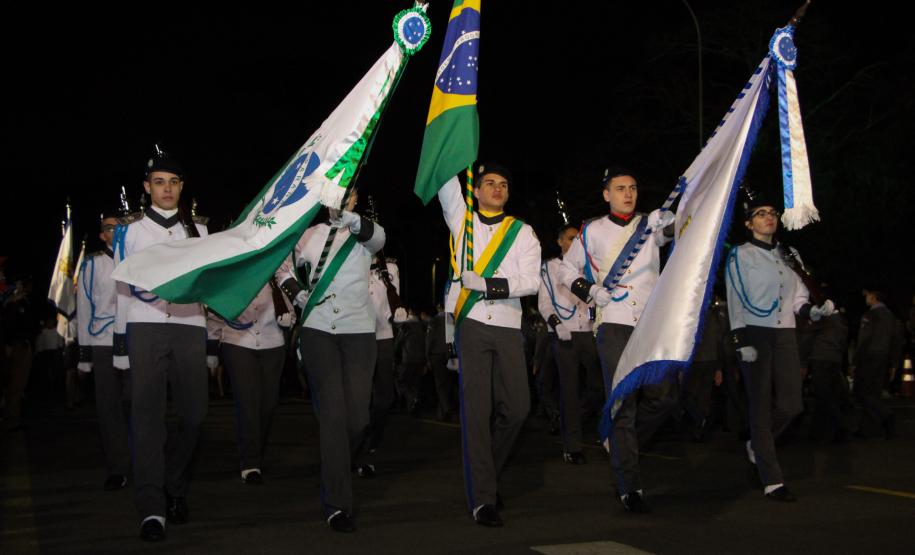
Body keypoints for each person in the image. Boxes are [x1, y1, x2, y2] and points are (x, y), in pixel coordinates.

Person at [558, 167, 674, 513]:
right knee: (623, 402)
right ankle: (629, 484)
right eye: (620, 188)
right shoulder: (592, 229)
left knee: (664, 397)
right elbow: (566, 269)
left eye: (633, 188)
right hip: (615, 322)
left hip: (650, 322)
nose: (628, 193)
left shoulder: (650, 225)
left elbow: (678, 232)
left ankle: (619, 439)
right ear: (607, 194)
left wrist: (670, 220)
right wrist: (591, 290)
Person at [112, 149, 214, 541]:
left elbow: (206, 288)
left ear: (182, 187)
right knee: (148, 421)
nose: (167, 189)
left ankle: (174, 483)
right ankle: (152, 507)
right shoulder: (131, 232)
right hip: (144, 327)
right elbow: (122, 289)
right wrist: (121, 347)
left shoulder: (199, 232)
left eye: (173, 182)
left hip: (189, 325)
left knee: (196, 416)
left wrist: (210, 342)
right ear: (147, 187)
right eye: (159, 182)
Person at [437, 163, 541, 527]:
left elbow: (531, 282)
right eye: (489, 183)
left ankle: (486, 474)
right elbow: (443, 179)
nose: (497, 188)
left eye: (503, 184)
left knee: (518, 409)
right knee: (476, 413)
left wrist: (486, 283)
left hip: (509, 324)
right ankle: (483, 498)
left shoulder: (523, 232)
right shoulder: (463, 222)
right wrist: (451, 129)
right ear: (476, 191)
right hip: (473, 325)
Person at [277, 191, 385, 533]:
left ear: (354, 198)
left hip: (357, 330)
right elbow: (279, 264)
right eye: (336, 194)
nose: (342, 199)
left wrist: (350, 219)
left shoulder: (363, 232)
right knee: (333, 417)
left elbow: (379, 239)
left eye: (349, 194)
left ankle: (338, 462)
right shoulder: (309, 235)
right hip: (318, 328)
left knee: (357, 420)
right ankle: (337, 503)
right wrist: (295, 291)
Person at [724, 195, 834, 502]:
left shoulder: (790, 253)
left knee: (792, 405)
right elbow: (735, 298)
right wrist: (739, 339)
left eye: (772, 213)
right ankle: (772, 479)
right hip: (754, 332)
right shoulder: (740, 255)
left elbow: (798, 296)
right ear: (749, 223)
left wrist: (810, 311)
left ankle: (758, 445)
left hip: (785, 332)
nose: (768, 218)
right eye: (760, 214)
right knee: (759, 404)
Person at [209, 279, 294, 484]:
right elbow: (216, 310)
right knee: (247, 402)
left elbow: (289, 307)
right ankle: (250, 462)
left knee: (268, 404)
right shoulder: (234, 274)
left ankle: (256, 450)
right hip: (238, 341)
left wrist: (289, 318)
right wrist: (212, 347)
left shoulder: (276, 274)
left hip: (272, 343)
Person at [538, 224, 601, 463]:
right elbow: (544, 303)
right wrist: (556, 324)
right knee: (569, 389)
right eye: (571, 238)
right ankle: (572, 445)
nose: (575, 242)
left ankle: (572, 419)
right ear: (560, 241)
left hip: (588, 332)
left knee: (598, 386)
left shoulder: (588, 268)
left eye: (578, 239)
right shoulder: (550, 268)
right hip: (563, 333)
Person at [76, 211, 130, 490]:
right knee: (109, 408)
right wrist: (84, 353)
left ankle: (144, 461)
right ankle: (118, 467)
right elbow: (84, 308)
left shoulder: (137, 261)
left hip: (134, 341)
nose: (117, 231)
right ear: (102, 235)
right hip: (102, 341)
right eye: (111, 228)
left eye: (122, 227)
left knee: (138, 404)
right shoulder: (93, 265)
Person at [851, 288, 899, 439]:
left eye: (867, 295)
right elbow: (896, 339)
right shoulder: (890, 316)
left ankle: (886, 415)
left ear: (873, 297)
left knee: (861, 392)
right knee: (874, 393)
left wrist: (855, 361)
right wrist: (894, 362)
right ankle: (867, 429)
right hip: (883, 356)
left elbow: (864, 338)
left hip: (869, 356)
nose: (866, 298)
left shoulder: (871, 315)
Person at [367, 254, 399, 451]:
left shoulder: (390, 268)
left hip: (383, 336)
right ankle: (359, 442)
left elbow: (393, 304)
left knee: (384, 397)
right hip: (357, 336)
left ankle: (373, 439)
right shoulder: (351, 263)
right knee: (360, 397)